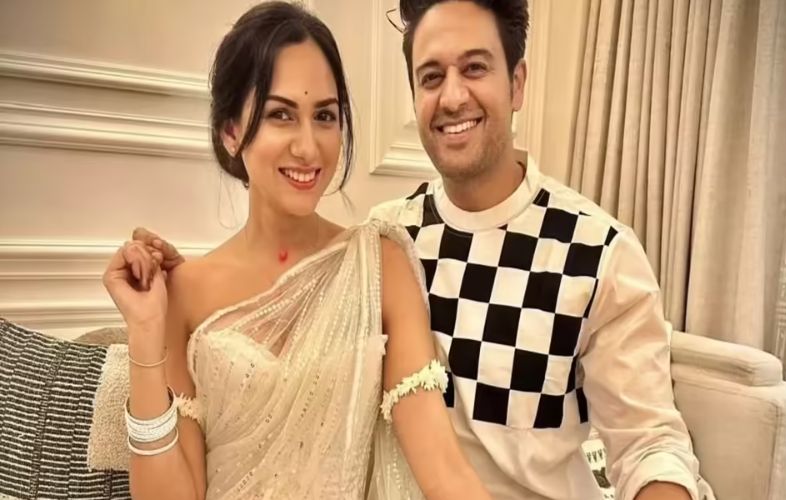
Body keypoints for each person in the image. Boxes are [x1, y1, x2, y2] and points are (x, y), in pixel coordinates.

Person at [137, 1, 716, 499]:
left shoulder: (596, 251)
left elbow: (650, 445)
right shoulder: (390, 235)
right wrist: (159, 323)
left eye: (475, 68)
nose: (453, 96)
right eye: (432, 76)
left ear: (517, 83)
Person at [104, 2, 490, 499]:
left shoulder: (379, 266)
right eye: (280, 115)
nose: (309, 147)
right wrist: (145, 333)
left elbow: (445, 473)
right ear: (231, 132)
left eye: (324, 116)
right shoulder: (185, 291)